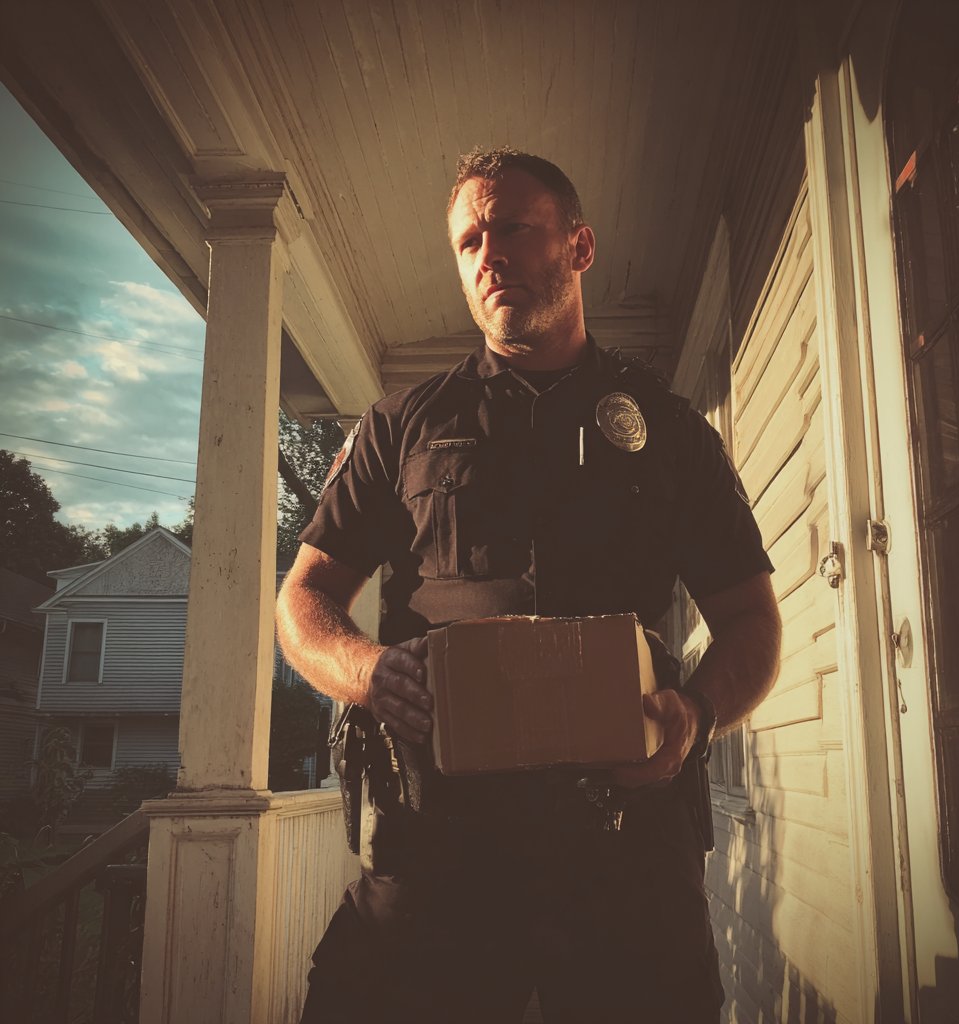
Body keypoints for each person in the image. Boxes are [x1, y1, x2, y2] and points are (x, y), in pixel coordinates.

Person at [276, 147, 782, 1023]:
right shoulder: (403, 425)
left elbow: (751, 621)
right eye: (470, 240)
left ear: (579, 248)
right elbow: (304, 599)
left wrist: (692, 717)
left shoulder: (668, 428)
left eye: (511, 227)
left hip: (625, 846)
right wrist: (368, 671)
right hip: (439, 846)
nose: (488, 255)